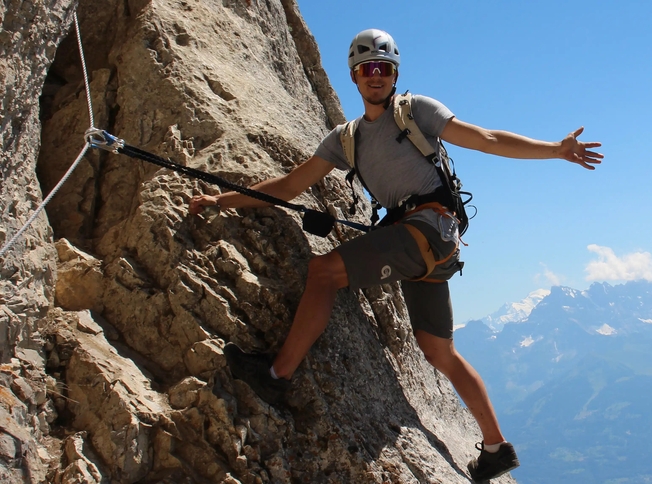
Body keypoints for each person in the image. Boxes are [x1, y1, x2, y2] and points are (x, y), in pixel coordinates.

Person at [188, 29, 602, 482]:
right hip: (427, 245)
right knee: (438, 351)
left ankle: (275, 375)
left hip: (427, 231)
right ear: (353, 76)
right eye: (367, 69)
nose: (375, 76)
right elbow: (289, 186)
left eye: (383, 68)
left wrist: (556, 150)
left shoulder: (416, 111)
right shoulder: (345, 140)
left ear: (395, 73)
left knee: (324, 271)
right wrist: (221, 201)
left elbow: (485, 138)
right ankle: (496, 448)